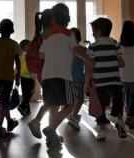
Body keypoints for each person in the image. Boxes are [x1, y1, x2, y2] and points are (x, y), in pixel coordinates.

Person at [39, 3, 93, 149]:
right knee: (70, 105)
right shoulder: (69, 34)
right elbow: (76, 50)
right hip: (63, 76)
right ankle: (51, 129)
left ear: (53, 19)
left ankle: (53, 138)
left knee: (53, 106)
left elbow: (41, 55)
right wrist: (89, 59)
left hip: (47, 76)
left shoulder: (47, 35)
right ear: (68, 18)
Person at [85, 17, 127, 141]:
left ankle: (102, 130)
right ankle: (120, 122)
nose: (92, 34)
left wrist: (87, 83)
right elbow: (122, 64)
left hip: (100, 82)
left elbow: (89, 67)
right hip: (115, 81)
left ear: (98, 32)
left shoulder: (93, 47)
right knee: (118, 102)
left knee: (100, 106)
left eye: (93, 31)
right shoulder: (115, 44)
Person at [0, 19, 21, 138]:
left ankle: (10, 122)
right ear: (12, 31)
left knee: (4, 99)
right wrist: (18, 74)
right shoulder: (14, 44)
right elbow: (17, 61)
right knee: (3, 101)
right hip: (7, 76)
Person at [27, 9, 53, 139]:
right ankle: (38, 123)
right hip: (48, 72)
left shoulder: (40, 35)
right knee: (52, 100)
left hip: (41, 73)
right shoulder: (48, 35)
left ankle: (49, 129)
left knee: (51, 99)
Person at [67, 28, 87, 130]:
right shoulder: (83, 50)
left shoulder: (66, 50)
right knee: (79, 99)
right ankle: (74, 117)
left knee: (71, 99)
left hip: (69, 78)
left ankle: (72, 115)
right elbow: (87, 65)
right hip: (78, 78)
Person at [17, 39, 35, 117]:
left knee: (26, 93)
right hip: (28, 76)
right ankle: (22, 106)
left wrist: (16, 77)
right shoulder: (28, 55)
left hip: (23, 76)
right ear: (24, 47)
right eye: (29, 46)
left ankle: (26, 110)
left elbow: (17, 67)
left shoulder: (20, 55)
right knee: (29, 93)